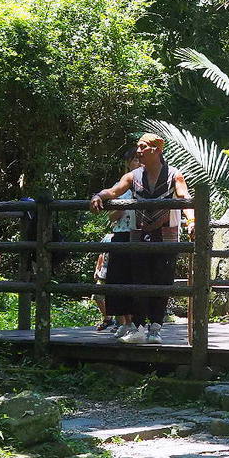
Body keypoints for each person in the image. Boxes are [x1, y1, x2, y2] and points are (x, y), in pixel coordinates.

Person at [90, 134, 194, 344]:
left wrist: (192, 221)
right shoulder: (133, 176)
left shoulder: (174, 175)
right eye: (138, 147)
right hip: (140, 234)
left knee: (162, 280)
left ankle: (155, 328)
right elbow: (114, 191)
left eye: (143, 147)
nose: (138, 151)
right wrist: (98, 196)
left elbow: (185, 199)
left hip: (166, 236)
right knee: (138, 279)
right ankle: (137, 327)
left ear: (157, 149)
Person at [102, 149, 141, 337]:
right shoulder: (119, 186)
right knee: (119, 277)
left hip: (140, 235)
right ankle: (125, 322)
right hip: (121, 234)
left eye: (141, 160)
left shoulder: (148, 185)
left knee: (137, 278)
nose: (139, 163)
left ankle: (137, 323)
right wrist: (123, 205)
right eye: (135, 160)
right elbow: (111, 217)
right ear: (128, 163)